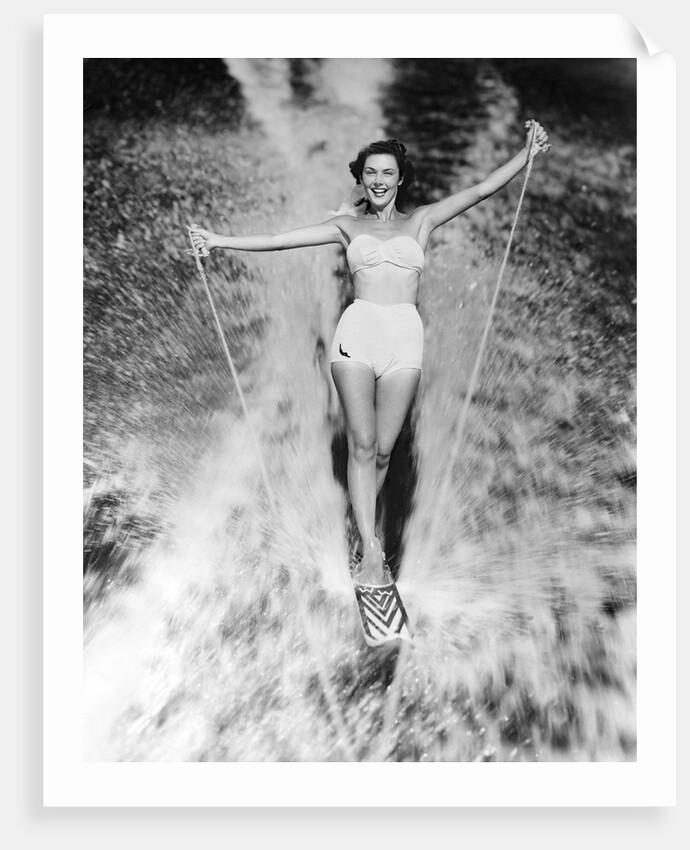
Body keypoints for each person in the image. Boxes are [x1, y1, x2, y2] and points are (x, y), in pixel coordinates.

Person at [189, 120, 550, 585]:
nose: (379, 180)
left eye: (387, 173)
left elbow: (481, 190)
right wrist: (219, 240)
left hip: (404, 341)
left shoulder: (422, 221)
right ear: (361, 179)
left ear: (400, 179)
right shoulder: (346, 226)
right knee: (361, 443)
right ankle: (371, 549)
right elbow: (280, 241)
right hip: (356, 337)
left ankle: (361, 534)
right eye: (371, 173)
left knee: (381, 451)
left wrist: (525, 155)